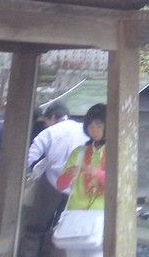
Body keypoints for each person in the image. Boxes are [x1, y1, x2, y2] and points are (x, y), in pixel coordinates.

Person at [20, 101, 88, 257]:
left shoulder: (50, 132)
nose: (45, 124)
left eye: (46, 121)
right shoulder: (84, 131)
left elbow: (28, 159)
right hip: (76, 189)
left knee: (34, 229)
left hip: (50, 186)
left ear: (52, 117)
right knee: (62, 233)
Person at [54, 104, 107, 257]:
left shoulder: (117, 151)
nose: (94, 130)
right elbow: (60, 185)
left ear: (108, 126)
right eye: (90, 125)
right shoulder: (79, 152)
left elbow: (121, 185)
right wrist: (69, 174)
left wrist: (97, 173)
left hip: (102, 216)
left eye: (99, 125)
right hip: (75, 215)